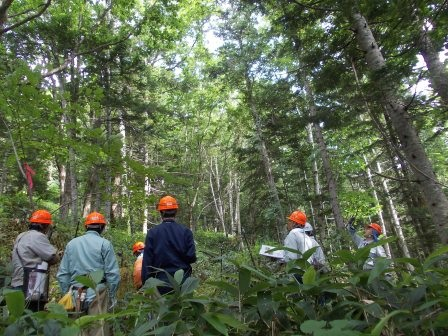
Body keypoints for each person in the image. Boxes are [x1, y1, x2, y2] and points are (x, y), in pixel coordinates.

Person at [57, 212, 120, 336]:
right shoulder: (105, 244)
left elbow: (63, 274)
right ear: (102, 227)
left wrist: (66, 294)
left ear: (86, 227)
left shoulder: (72, 244)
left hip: (75, 292)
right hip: (98, 292)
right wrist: (112, 296)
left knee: (77, 330)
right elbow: (113, 274)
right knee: (99, 329)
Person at [141, 195, 197, 295]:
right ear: (176, 211)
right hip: (183, 282)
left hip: (160, 283)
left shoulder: (153, 233)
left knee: (161, 310)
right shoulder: (186, 232)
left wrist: (146, 285)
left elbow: (147, 263)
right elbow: (191, 257)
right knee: (182, 309)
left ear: (161, 212)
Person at [11, 209, 60, 311]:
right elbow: (53, 257)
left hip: (17, 283)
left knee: (18, 319)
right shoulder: (38, 236)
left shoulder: (21, 236)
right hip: (31, 286)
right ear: (44, 226)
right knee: (32, 319)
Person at [283, 210, 316, 283]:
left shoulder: (293, 234)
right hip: (308, 274)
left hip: (297, 273)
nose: (288, 223)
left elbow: (291, 257)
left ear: (294, 223)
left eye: (289, 221)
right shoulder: (306, 236)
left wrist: (279, 260)